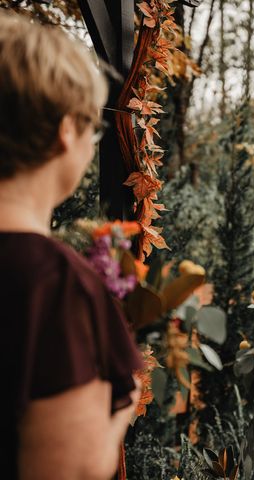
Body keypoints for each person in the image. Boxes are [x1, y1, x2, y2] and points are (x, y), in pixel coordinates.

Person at [0, 12, 142, 479]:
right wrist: (125, 399)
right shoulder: (54, 285)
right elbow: (71, 470)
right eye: (93, 127)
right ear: (66, 130)